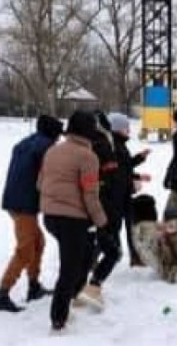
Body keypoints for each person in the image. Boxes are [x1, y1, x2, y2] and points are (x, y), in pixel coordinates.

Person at [39, 110, 110, 331]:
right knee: (70, 269)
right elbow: (90, 194)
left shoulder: (53, 151)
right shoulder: (88, 157)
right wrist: (102, 222)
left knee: (82, 257)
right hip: (72, 219)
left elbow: (40, 183)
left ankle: (72, 299)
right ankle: (58, 319)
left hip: (50, 215)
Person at [0, 114, 63, 313]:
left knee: (38, 242)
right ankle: (2, 294)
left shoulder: (25, 143)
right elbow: (49, 176)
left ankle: (33, 285)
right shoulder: (47, 148)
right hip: (25, 204)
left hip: (15, 200)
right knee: (26, 249)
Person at [76, 111, 123, 309]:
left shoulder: (80, 146)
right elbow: (112, 182)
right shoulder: (103, 146)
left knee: (88, 250)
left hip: (80, 207)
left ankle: (78, 289)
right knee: (113, 251)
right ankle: (92, 287)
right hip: (101, 206)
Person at [107, 113, 151, 267]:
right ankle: (103, 257)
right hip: (117, 195)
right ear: (118, 129)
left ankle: (135, 257)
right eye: (126, 128)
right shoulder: (113, 146)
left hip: (124, 193)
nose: (129, 131)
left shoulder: (119, 144)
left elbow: (124, 167)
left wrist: (139, 161)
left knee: (131, 226)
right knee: (114, 228)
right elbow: (118, 172)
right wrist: (135, 177)